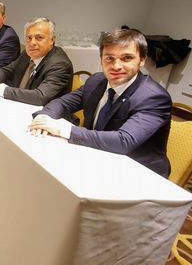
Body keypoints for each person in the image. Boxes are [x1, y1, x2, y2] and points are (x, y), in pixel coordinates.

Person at [29, 28, 171, 177]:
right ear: (101, 59)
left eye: (126, 58)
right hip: (97, 157)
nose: (116, 66)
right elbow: (62, 103)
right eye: (109, 58)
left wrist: (63, 129)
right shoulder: (96, 81)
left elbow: (123, 141)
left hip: (138, 172)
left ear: (142, 60)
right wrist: (43, 118)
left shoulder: (154, 97)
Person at [0, 17, 73, 106]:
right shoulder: (27, 54)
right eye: (29, 38)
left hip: (45, 119)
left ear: (52, 40)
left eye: (39, 37)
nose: (32, 43)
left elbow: (40, 97)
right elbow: (7, 70)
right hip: (20, 106)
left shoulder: (60, 64)